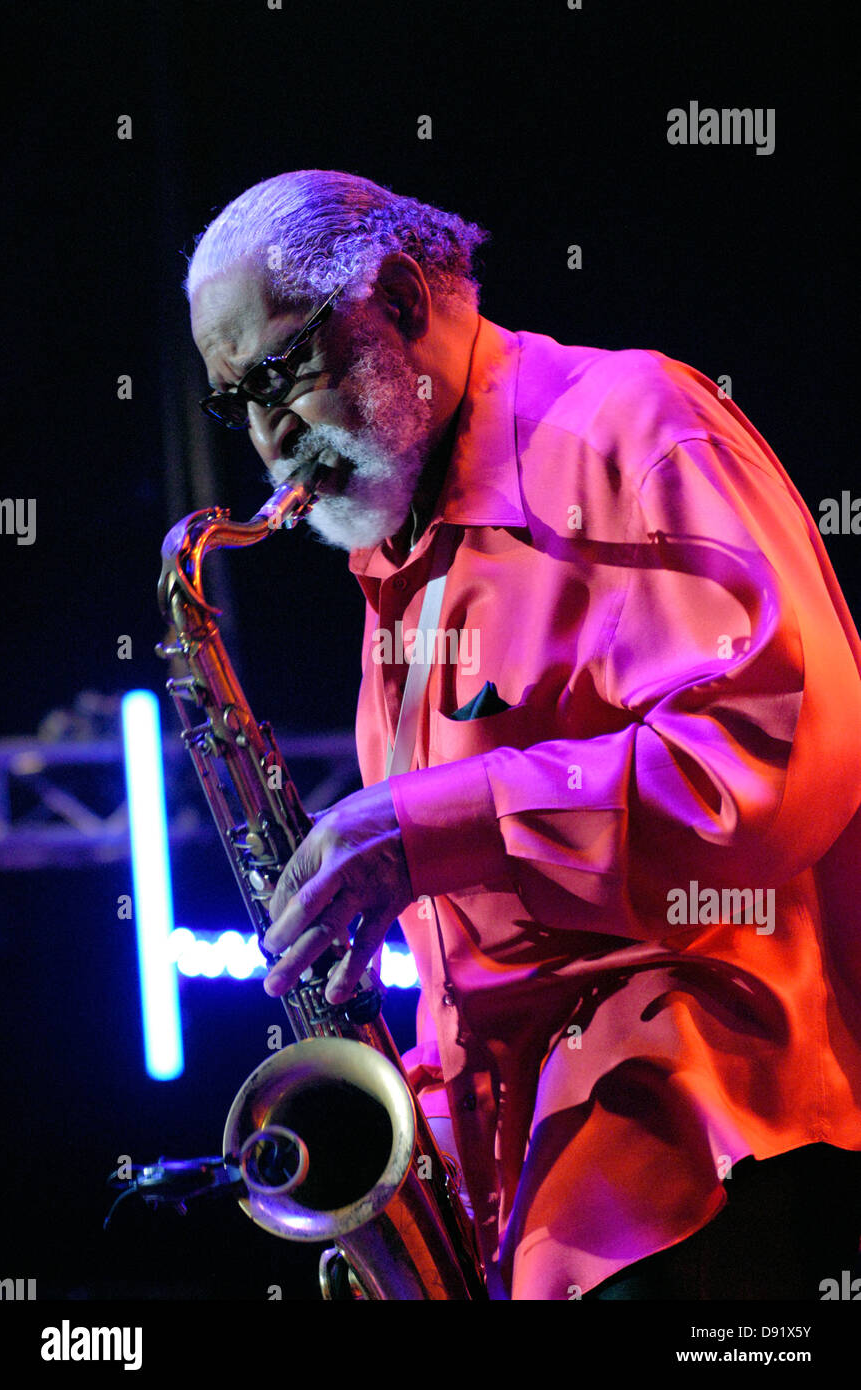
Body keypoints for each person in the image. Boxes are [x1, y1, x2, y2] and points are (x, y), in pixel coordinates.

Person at [184, 169, 861, 1300]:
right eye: (233, 402)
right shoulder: (397, 560)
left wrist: (436, 825)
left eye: (281, 372)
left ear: (399, 301)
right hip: (546, 1191)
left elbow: (778, 761)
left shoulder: (633, 422)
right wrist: (414, 1147)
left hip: (706, 1149)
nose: (267, 440)